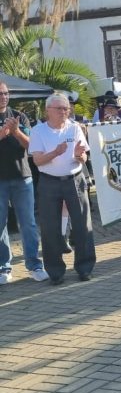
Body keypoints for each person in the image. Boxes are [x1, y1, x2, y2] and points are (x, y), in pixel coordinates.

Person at [28, 93, 96, 285]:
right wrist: (55, 153)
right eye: (59, 108)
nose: (64, 112)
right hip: (49, 182)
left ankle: (85, 268)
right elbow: (38, 160)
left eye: (66, 108)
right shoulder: (38, 131)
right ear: (48, 110)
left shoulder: (74, 128)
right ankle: (55, 272)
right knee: (50, 227)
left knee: (83, 225)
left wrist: (80, 156)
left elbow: (83, 157)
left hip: (74, 179)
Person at [0, 82, 46, 284]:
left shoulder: (19, 115)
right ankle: (4, 268)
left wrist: (16, 131)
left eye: (5, 92)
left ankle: (34, 265)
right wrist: (3, 132)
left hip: (22, 177)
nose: (3, 96)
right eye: (0, 93)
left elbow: (31, 145)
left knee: (28, 223)